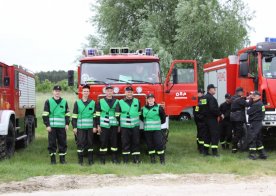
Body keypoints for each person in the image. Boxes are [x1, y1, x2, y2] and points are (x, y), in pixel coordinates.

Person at [42, 85, 70, 164]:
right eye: (56, 91)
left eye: (59, 91)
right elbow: (45, 114)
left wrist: (67, 124)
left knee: (63, 143)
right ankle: (53, 161)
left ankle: (62, 160)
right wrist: (47, 125)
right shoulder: (48, 101)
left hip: (62, 127)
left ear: (60, 92)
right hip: (52, 128)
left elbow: (67, 114)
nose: (57, 92)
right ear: (53, 92)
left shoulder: (64, 102)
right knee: (52, 143)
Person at [71, 84, 97, 165]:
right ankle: (80, 161)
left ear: (89, 93)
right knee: (80, 144)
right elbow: (74, 116)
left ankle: (90, 161)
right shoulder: (77, 103)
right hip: (80, 127)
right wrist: (74, 127)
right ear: (82, 92)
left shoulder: (93, 103)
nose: (86, 92)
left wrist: (94, 126)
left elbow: (95, 116)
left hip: (90, 127)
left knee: (90, 144)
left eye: (87, 91)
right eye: (84, 91)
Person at [116, 86, 141, 163]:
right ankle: (125, 159)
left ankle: (136, 158)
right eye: (128, 92)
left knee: (136, 142)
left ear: (132, 93)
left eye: (130, 92)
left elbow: (139, 113)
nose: (129, 93)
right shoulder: (120, 102)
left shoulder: (137, 101)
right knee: (125, 142)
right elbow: (117, 115)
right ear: (125, 93)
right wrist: (119, 125)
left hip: (135, 126)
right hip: (125, 126)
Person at [95, 85, 120, 164]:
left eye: (111, 91)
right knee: (103, 141)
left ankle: (114, 158)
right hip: (104, 125)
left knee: (114, 142)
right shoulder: (100, 101)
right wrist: (98, 125)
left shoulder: (117, 101)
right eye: (108, 91)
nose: (109, 92)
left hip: (114, 125)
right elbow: (97, 114)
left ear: (113, 92)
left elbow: (118, 114)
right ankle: (102, 159)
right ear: (105, 92)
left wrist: (119, 125)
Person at [141, 94, 166, 164]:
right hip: (147, 130)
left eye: (152, 98)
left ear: (154, 99)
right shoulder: (143, 109)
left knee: (159, 144)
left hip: (156, 130)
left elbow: (163, 118)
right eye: (149, 99)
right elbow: (142, 118)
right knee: (150, 145)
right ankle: (152, 159)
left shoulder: (159, 108)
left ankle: (162, 160)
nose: (150, 100)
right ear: (147, 100)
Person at [247, 91, 267, 160]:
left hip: (255, 123)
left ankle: (252, 155)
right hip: (258, 123)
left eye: (254, 96)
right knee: (258, 139)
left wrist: (250, 101)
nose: (253, 97)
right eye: (253, 95)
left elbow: (248, 112)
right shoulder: (260, 103)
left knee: (252, 138)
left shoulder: (256, 104)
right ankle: (263, 154)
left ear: (259, 96)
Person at [203, 84, 221, 157]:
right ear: (210, 89)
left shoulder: (203, 98)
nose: (215, 90)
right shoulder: (212, 99)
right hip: (212, 120)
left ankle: (205, 151)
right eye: (214, 89)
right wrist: (220, 114)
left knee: (207, 135)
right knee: (214, 135)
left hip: (205, 119)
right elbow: (213, 109)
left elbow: (201, 108)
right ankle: (214, 153)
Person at [230, 87, 249, 153]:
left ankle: (235, 147)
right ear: (239, 92)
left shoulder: (232, 98)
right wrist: (252, 99)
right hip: (238, 118)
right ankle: (234, 146)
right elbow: (247, 104)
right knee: (239, 133)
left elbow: (240, 101)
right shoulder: (240, 99)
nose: (243, 93)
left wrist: (246, 98)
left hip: (233, 118)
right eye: (242, 92)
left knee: (235, 132)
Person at [193, 88, 207, 154]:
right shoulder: (197, 100)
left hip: (199, 119)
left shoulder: (201, 99)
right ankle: (201, 148)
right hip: (200, 120)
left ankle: (199, 147)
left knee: (199, 134)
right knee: (201, 134)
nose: (202, 94)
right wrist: (202, 117)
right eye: (201, 93)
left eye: (202, 93)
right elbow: (197, 111)